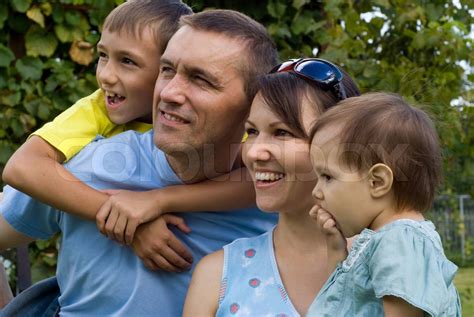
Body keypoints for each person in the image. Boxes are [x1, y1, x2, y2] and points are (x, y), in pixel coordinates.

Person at [0, 9, 279, 316]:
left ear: (254, 104)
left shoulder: (279, 198)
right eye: (167, 70)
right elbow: (24, 170)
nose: (170, 93)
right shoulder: (86, 168)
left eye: (201, 80)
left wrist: (156, 201)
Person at [183, 58, 361, 316]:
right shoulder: (217, 276)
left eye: (282, 133)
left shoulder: (392, 264)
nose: (254, 152)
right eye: (252, 132)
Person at [307, 93, 461, 316]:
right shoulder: (383, 240)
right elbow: (341, 303)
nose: (316, 192)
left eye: (327, 177)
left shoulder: (401, 240)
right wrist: (335, 247)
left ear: (377, 182)